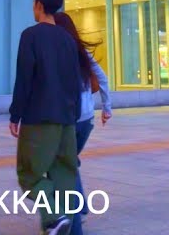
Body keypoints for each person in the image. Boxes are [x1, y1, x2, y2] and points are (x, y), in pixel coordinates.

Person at [9, 0, 81, 235]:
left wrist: (15, 114)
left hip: (39, 117)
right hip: (67, 119)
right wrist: (73, 115)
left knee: (28, 174)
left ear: (39, 5)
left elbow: (24, 78)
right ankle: (59, 225)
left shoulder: (31, 35)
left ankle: (53, 216)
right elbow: (75, 81)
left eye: (33, 3)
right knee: (65, 176)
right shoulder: (68, 39)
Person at [53, 12, 112, 235]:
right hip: (86, 120)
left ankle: (74, 217)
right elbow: (103, 78)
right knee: (69, 162)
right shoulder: (81, 51)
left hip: (68, 119)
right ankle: (80, 207)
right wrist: (107, 108)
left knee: (65, 166)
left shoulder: (58, 51)